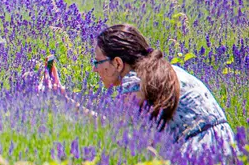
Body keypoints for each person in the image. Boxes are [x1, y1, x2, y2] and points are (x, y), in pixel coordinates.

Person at [92, 24, 238, 157]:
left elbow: (121, 135)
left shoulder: (135, 81)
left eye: (97, 62)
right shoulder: (163, 71)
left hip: (198, 152)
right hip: (226, 146)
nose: (94, 69)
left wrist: (72, 110)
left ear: (117, 63)